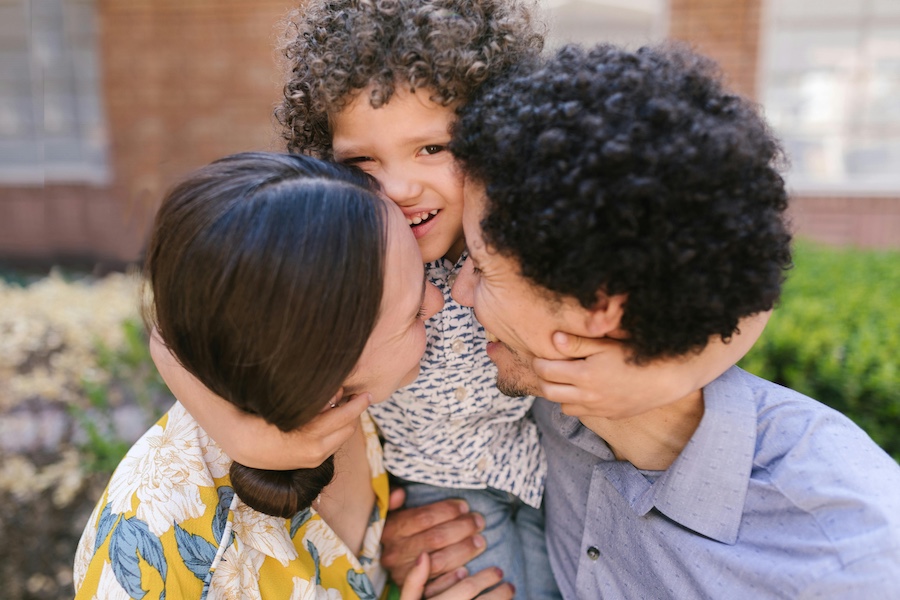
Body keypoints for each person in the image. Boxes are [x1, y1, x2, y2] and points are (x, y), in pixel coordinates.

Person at [157, 2, 771, 595]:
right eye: (362, 161)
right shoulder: (343, 264)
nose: (398, 187)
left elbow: (741, 286)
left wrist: (670, 376)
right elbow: (174, 328)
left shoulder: (522, 238)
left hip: (543, 473)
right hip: (439, 499)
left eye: (432, 149)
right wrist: (245, 435)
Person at [383, 43, 900, 597]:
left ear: (599, 306)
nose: (457, 293)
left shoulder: (851, 559)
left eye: (481, 267)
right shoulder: (544, 401)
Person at [72, 152, 514, 599]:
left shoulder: (385, 402)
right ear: (324, 377)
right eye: (414, 312)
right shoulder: (150, 545)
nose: (439, 302)